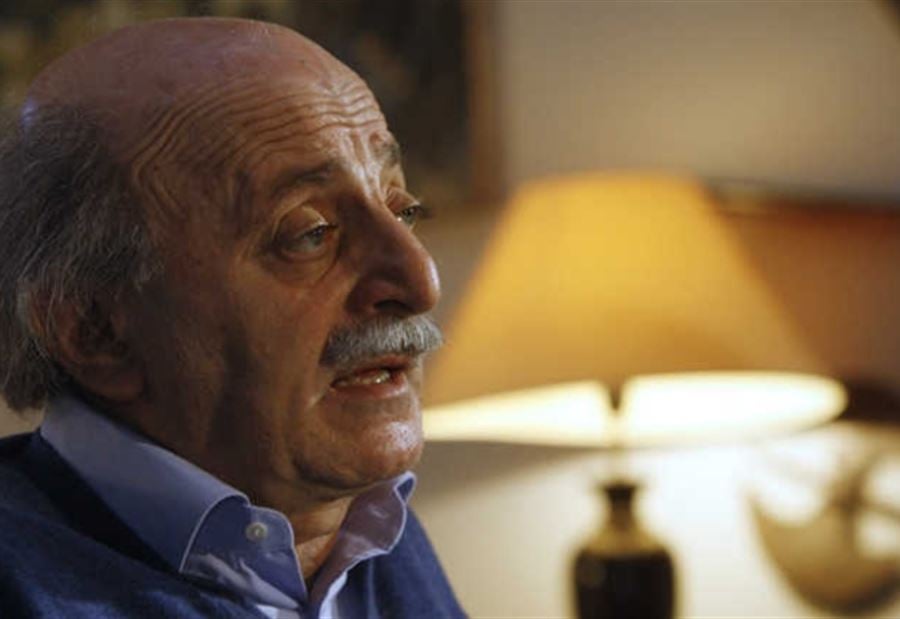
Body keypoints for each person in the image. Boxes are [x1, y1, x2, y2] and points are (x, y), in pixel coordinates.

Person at [0, 17, 464, 619]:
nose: (421, 282)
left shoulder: (373, 533)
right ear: (96, 332)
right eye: (311, 232)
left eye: (403, 210)